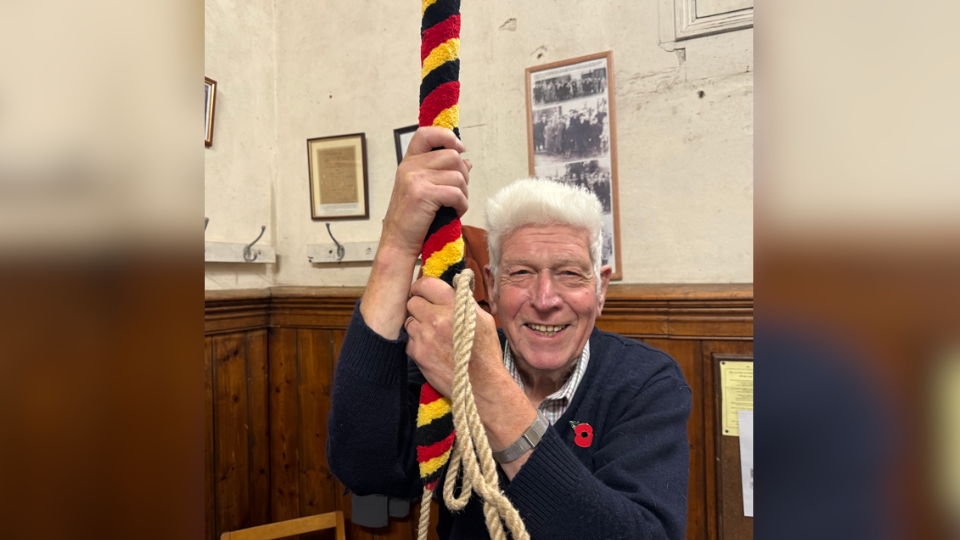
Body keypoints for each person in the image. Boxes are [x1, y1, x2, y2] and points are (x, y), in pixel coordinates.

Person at [327, 127, 691, 540]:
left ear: (600, 289)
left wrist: (489, 388)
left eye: (570, 273)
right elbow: (365, 466)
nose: (545, 298)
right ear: (493, 288)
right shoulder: (451, 364)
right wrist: (397, 242)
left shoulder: (645, 382)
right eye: (521, 273)